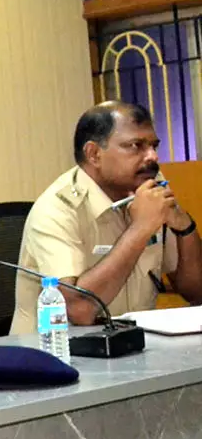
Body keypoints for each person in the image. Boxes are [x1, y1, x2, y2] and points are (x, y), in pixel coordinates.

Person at [11, 101, 202, 332]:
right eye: (135, 146)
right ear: (94, 154)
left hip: (134, 344)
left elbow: (196, 292)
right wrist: (140, 229)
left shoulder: (148, 188)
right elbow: (80, 310)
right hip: (57, 350)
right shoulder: (57, 210)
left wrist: (184, 227)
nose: (152, 156)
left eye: (154, 145)